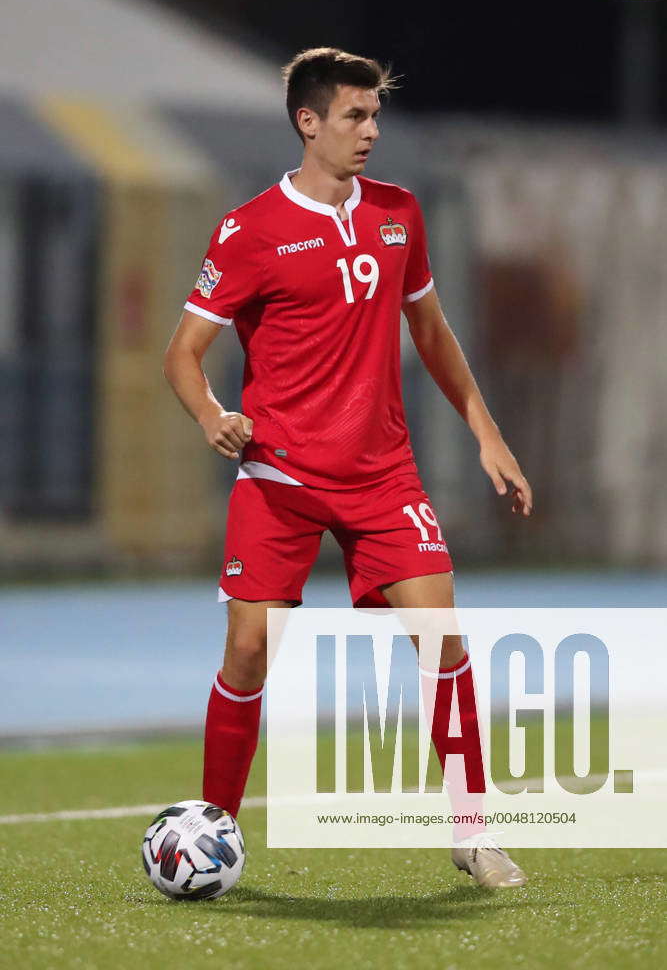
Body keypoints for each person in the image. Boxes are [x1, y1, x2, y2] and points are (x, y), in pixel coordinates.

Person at [163, 47, 533, 888]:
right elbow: (182, 354)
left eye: (375, 116)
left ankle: (472, 833)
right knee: (249, 650)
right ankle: (214, 829)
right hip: (280, 476)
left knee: (442, 644)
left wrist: (485, 432)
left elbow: (431, 335)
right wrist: (211, 415)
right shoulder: (249, 230)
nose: (370, 131)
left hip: (381, 477)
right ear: (308, 122)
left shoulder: (399, 213)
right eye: (353, 117)